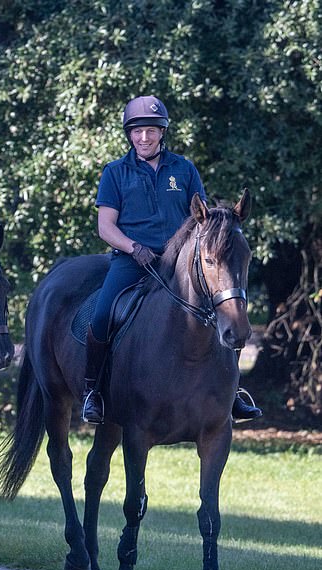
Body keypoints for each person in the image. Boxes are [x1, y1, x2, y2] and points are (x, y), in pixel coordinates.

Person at [81, 95, 262, 425]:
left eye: (151, 131)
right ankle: (93, 391)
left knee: (224, 305)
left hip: (179, 262)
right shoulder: (115, 172)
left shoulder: (184, 168)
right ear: (129, 135)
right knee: (103, 313)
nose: (145, 138)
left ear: (162, 132)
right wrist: (134, 247)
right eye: (138, 132)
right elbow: (105, 226)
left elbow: (202, 220)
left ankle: (232, 392)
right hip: (131, 260)